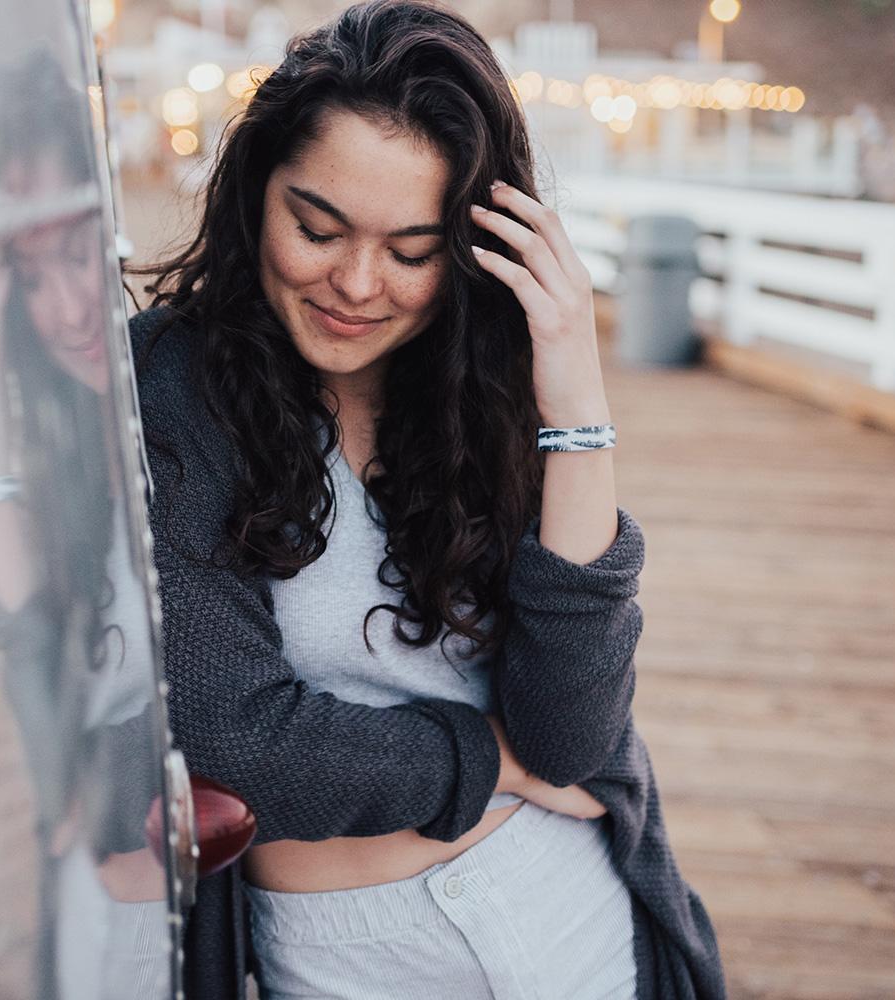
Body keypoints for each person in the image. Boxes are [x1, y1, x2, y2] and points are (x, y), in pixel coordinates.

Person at [128, 1, 727, 998]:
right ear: (254, 195)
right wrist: (491, 760)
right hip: (343, 952)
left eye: (411, 251)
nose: (357, 284)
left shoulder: (485, 386)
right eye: (316, 228)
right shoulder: (176, 388)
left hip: (565, 916)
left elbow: (571, 739)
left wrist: (575, 396)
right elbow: (237, 742)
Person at [0, 48, 171, 1000]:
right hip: (96, 895)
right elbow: (40, 727)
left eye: (77, 256)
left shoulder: (185, 414)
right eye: (30, 275)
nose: (65, 311)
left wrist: (90, 792)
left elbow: (215, 708)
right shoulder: (58, 462)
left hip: (168, 895)